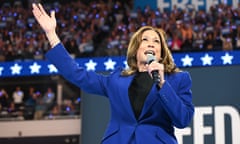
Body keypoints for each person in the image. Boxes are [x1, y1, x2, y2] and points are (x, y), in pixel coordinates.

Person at [32, 3, 194, 144]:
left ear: (161, 52)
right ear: (136, 49)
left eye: (156, 41)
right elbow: (77, 74)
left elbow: (183, 120)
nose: (151, 44)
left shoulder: (178, 79)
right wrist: (51, 35)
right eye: (145, 40)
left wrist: (162, 84)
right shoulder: (116, 79)